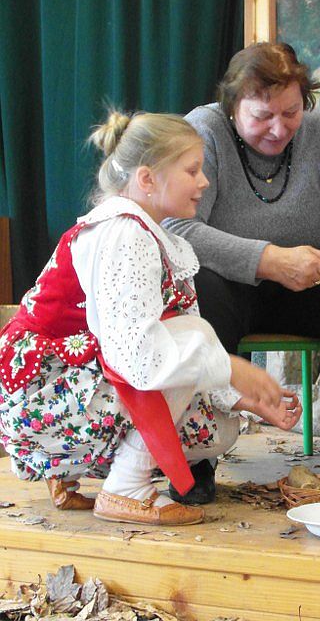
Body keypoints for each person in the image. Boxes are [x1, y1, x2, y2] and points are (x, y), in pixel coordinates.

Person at [0, 110, 297, 525]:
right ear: (147, 179)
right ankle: (126, 488)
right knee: (196, 364)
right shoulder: (125, 234)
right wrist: (230, 367)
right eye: (192, 170)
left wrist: (242, 398)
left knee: (219, 416)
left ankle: (65, 474)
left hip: (58, 386)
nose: (203, 182)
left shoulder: (143, 232)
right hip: (42, 396)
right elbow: (139, 356)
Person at [165, 42, 320, 490]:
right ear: (231, 106)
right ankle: (197, 455)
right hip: (232, 287)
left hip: (316, 284)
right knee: (198, 288)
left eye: (291, 112)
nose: (279, 128)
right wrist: (269, 260)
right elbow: (178, 230)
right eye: (262, 116)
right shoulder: (203, 130)